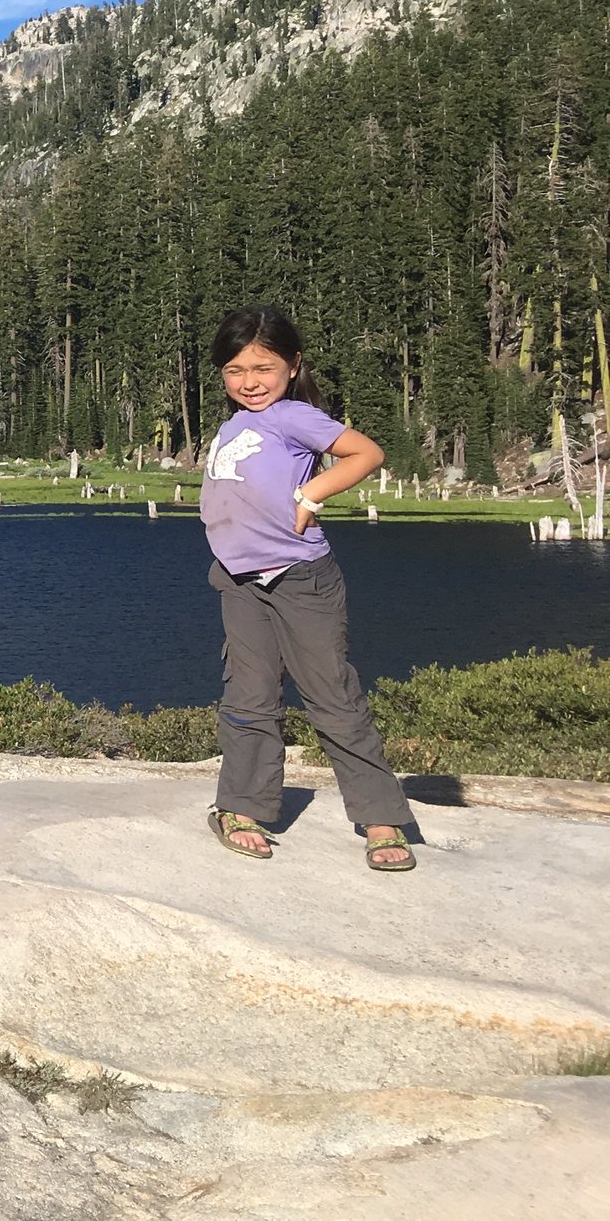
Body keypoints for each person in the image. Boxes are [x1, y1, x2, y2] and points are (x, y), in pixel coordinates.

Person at [198, 306, 415, 871]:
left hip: (299, 579)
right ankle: (239, 806)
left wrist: (312, 492)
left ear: (292, 366)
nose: (249, 382)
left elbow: (367, 453)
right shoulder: (234, 425)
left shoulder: (294, 416)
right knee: (248, 696)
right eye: (235, 370)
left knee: (332, 696)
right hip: (240, 582)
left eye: (263, 367)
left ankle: (381, 816)